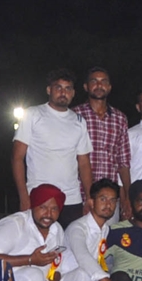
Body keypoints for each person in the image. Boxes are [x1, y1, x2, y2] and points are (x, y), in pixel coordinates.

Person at [12, 68, 94, 228]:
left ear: (73, 93)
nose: (63, 93)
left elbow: (84, 162)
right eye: (58, 88)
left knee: (70, 242)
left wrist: (89, 197)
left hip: (71, 198)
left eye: (68, 88)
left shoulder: (79, 121)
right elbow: (17, 158)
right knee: (38, 242)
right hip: (39, 196)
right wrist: (23, 196)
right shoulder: (32, 114)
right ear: (49, 90)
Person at [61, 178, 132, 281]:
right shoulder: (77, 228)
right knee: (85, 273)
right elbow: (84, 259)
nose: (108, 205)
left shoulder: (105, 229)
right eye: (103, 199)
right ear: (91, 202)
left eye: (113, 200)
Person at [74, 67, 132, 218]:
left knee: (109, 233)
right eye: (94, 81)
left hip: (110, 198)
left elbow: (123, 163)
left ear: (109, 87)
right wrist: (88, 197)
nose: (99, 85)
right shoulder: (75, 115)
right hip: (79, 195)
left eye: (103, 81)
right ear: (86, 86)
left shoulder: (120, 118)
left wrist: (127, 197)